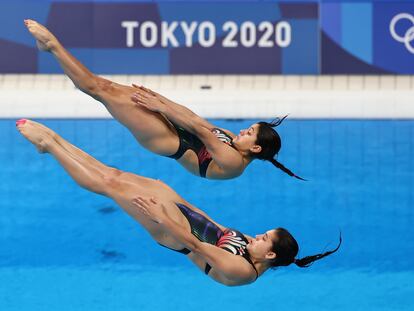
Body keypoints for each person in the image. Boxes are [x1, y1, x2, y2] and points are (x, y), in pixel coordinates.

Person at [16, 119, 339, 286]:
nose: (257, 236)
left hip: (171, 231)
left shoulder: (242, 271)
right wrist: (175, 197)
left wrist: (161, 215)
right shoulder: (250, 249)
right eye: (263, 233)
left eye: (263, 239)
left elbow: (195, 245)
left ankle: (51, 146)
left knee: (109, 185)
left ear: (269, 255)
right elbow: (212, 225)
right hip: (180, 213)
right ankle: (56, 142)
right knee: (112, 175)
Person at [24, 19, 304, 180]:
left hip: (168, 140)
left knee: (99, 90)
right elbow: (196, 119)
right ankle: (50, 48)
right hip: (175, 125)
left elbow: (199, 130)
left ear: (255, 148)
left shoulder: (233, 163)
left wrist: (161, 108)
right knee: (105, 86)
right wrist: (161, 100)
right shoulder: (231, 139)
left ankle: (51, 46)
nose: (244, 130)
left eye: (250, 133)